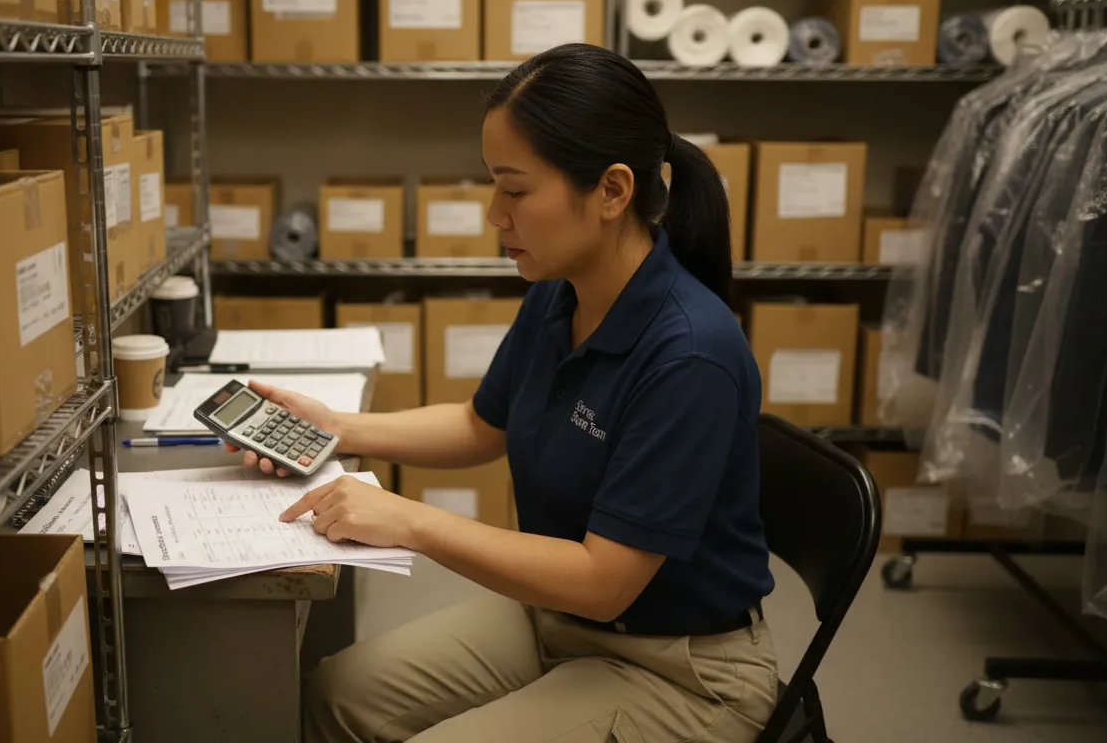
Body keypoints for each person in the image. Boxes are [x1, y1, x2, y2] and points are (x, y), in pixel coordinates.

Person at [238, 43, 778, 742]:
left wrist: (408, 520)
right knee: (334, 694)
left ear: (613, 192)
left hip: (676, 667)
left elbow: (602, 580)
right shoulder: (563, 292)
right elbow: (478, 425)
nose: (496, 214)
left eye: (515, 190)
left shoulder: (690, 355)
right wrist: (337, 427)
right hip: (556, 618)